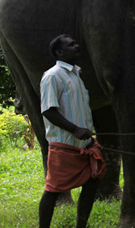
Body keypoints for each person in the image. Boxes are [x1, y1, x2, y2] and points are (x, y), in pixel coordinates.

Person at [39, 34, 105, 228]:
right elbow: (48, 110)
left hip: (84, 145)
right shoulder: (52, 76)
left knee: (92, 182)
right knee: (53, 190)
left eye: (76, 43)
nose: (77, 46)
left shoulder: (76, 74)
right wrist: (75, 129)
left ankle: (81, 226)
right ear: (59, 52)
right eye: (71, 45)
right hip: (64, 145)